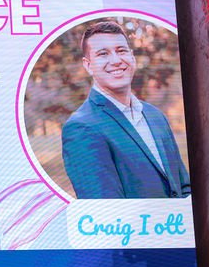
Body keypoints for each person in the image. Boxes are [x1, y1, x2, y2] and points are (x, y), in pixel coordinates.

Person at [61, 21, 191, 199]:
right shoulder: (81, 127)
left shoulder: (155, 116)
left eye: (121, 51)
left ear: (132, 57)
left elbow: (184, 187)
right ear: (88, 65)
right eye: (103, 54)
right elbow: (107, 213)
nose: (115, 61)